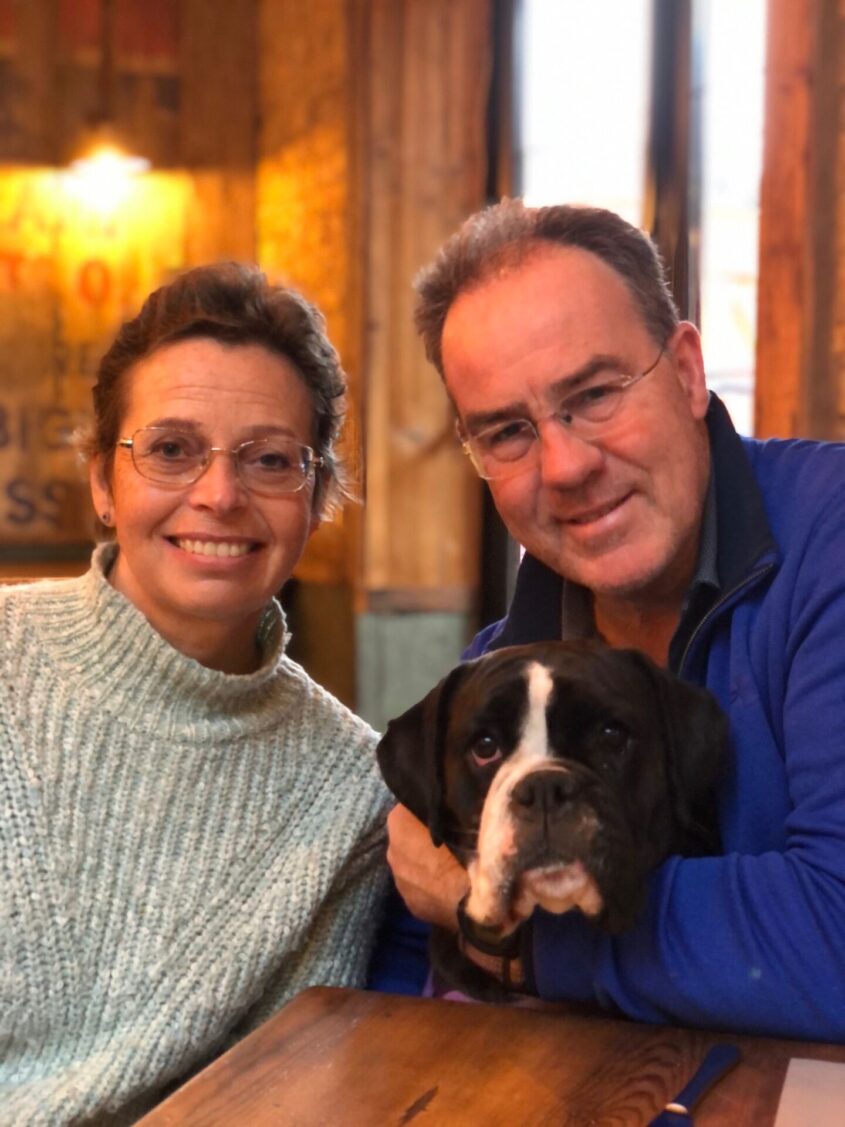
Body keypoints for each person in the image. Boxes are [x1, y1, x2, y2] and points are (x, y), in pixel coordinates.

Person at [384, 198, 845, 1041]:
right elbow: (405, 938)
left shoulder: (831, 541)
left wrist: (511, 935)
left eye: (593, 394)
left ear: (685, 370)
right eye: (507, 431)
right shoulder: (498, 668)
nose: (564, 466)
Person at [2, 263, 395, 1124]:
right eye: (173, 449)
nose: (219, 494)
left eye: (268, 459)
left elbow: (284, 1095)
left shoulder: (351, 790)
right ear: (104, 482)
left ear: (316, 498)